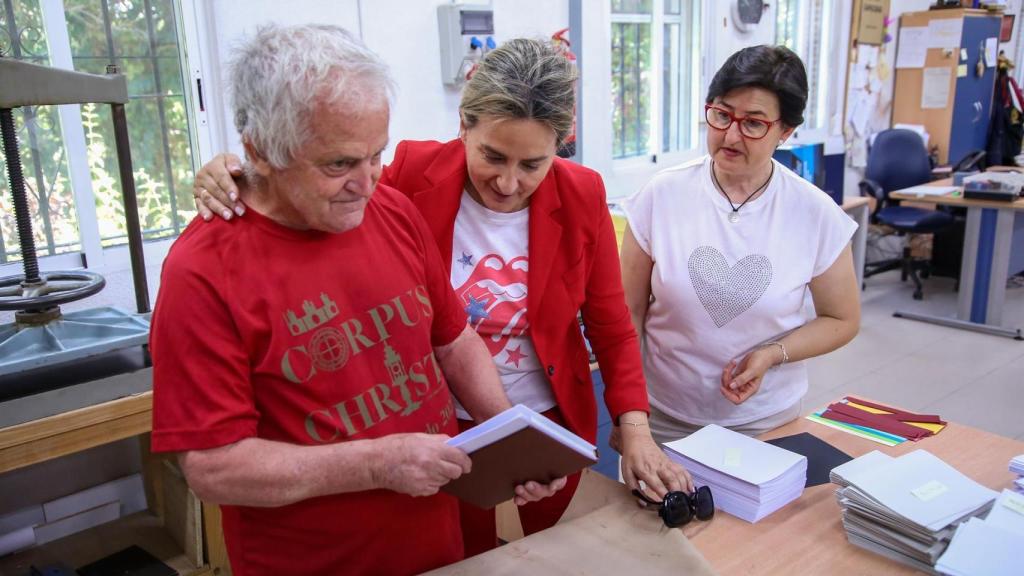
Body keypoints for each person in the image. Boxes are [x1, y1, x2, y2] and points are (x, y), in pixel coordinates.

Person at [191, 37, 692, 556]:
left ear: (560, 146)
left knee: (558, 551)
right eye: (492, 156)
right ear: (463, 127)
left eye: (532, 164)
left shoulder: (580, 193)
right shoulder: (407, 175)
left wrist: (633, 428)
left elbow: (609, 325)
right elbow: (315, 193)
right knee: (464, 548)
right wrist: (239, 173)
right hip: (436, 423)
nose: (508, 182)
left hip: (539, 416)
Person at [150, 25, 561, 576]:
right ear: (260, 151)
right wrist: (376, 465)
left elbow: (454, 341)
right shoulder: (202, 273)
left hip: (435, 547)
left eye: (376, 155)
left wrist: (514, 435)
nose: (366, 183)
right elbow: (214, 468)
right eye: (338, 165)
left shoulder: (391, 211)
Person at [620, 45, 861, 445]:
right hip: (662, 415)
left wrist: (772, 353)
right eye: (721, 115)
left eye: (753, 124)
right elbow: (627, 313)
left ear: (785, 131)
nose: (731, 135)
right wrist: (627, 413)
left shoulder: (815, 213)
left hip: (765, 422)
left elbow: (842, 319)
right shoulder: (661, 195)